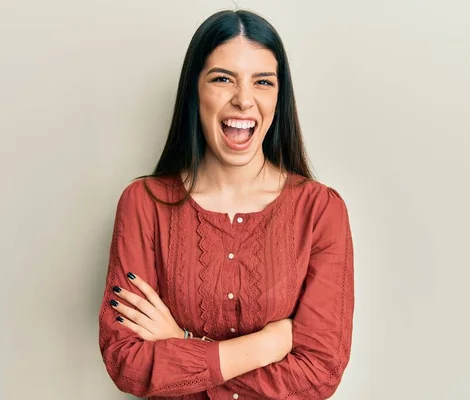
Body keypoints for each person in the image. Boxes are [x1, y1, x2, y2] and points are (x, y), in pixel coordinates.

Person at [98, 9, 354, 400]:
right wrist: (267, 345)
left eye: (263, 82)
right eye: (222, 79)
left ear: (279, 95)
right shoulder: (144, 205)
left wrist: (180, 343)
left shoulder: (320, 211)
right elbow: (126, 362)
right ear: (194, 90)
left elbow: (319, 374)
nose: (244, 100)